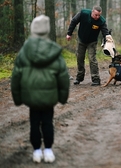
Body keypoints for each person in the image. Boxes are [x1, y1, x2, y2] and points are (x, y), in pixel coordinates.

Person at [11, 15, 70, 163]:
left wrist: (17, 98)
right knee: (48, 122)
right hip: (49, 98)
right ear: (47, 31)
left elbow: (16, 76)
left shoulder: (24, 51)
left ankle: (37, 150)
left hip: (31, 97)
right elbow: (63, 77)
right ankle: (48, 150)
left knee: (34, 122)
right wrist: (63, 97)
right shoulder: (54, 51)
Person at [66, 6, 110, 86]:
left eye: (99, 15)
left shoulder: (101, 21)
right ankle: (79, 77)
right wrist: (69, 33)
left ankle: (96, 79)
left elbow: (105, 31)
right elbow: (74, 21)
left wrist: (108, 38)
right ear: (92, 12)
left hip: (92, 42)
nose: (97, 17)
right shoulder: (83, 13)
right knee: (80, 57)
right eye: (96, 15)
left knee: (92, 59)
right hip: (81, 40)